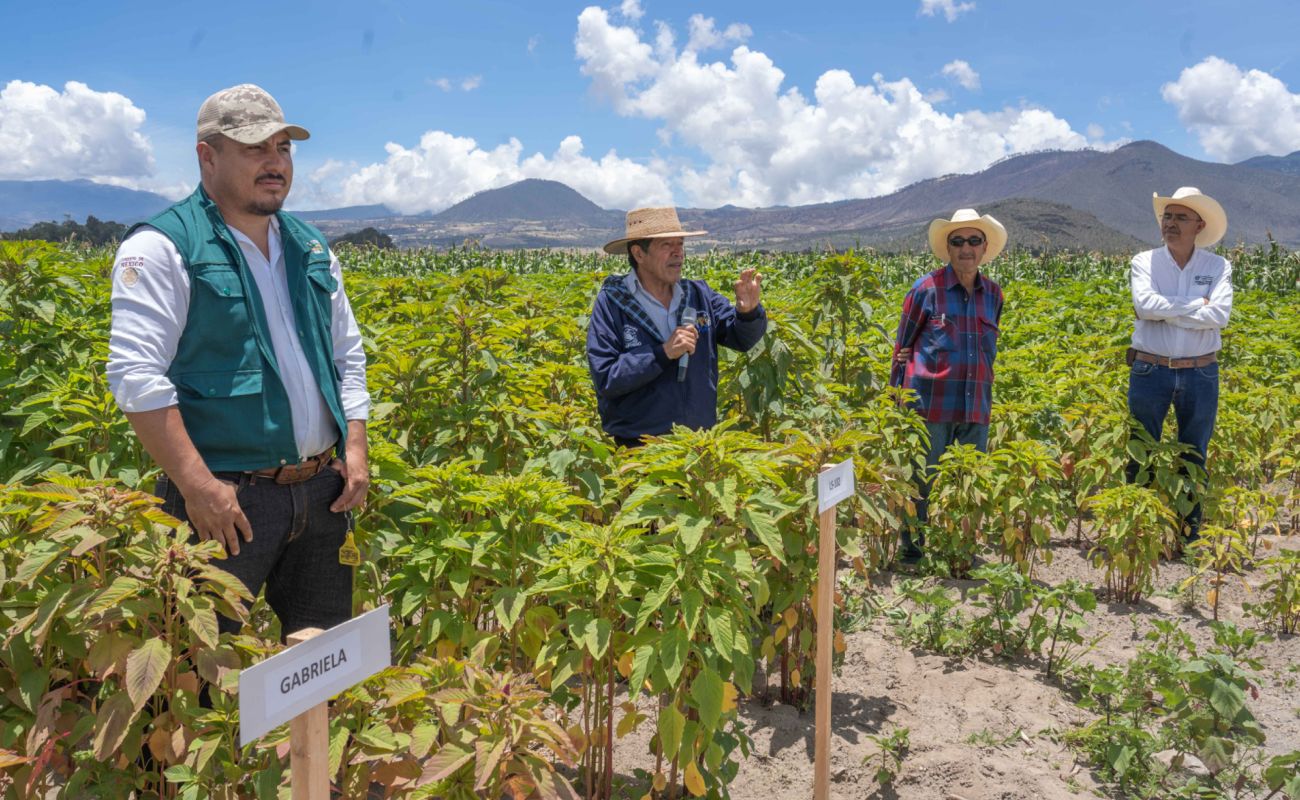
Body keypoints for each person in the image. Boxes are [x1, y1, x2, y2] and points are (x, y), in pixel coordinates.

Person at [107, 84, 370, 638]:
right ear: (207, 155)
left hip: (323, 490)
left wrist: (355, 446)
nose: (275, 163)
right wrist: (200, 488)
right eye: (255, 149)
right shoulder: (164, 247)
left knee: (322, 664)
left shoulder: (311, 248)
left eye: (283, 148)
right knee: (202, 672)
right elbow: (135, 377)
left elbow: (346, 354)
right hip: (227, 500)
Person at [586, 207, 766, 446]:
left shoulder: (699, 294)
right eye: (666, 245)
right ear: (639, 253)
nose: (678, 253)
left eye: (680, 244)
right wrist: (663, 353)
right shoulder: (612, 303)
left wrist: (748, 312)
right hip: (640, 446)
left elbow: (741, 338)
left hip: (697, 443)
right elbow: (607, 377)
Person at [889, 209, 1007, 564]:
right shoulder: (926, 290)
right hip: (930, 404)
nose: (966, 248)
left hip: (975, 405)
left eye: (973, 241)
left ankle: (962, 551)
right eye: (958, 241)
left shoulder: (994, 295)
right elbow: (902, 349)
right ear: (948, 247)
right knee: (921, 481)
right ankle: (913, 554)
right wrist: (897, 402)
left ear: (985, 247)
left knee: (970, 480)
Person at [1125, 186, 1232, 544]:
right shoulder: (1144, 261)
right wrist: (1194, 305)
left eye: (1180, 217)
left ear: (1199, 225)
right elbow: (1144, 306)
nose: (1170, 223)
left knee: (1193, 454)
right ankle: (1139, 533)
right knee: (1141, 450)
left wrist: (1168, 310)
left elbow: (1220, 314)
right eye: (1167, 216)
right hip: (1151, 369)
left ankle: (1188, 537)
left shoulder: (1217, 266)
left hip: (1201, 371)